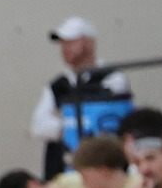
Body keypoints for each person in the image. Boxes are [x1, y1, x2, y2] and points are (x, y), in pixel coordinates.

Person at [30, 16, 131, 179]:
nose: (65, 48)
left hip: (102, 167)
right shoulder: (58, 84)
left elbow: (109, 120)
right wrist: (71, 126)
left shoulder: (113, 78)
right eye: (62, 44)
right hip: (64, 170)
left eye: (71, 42)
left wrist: (65, 121)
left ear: (89, 43)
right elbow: (38, 125)